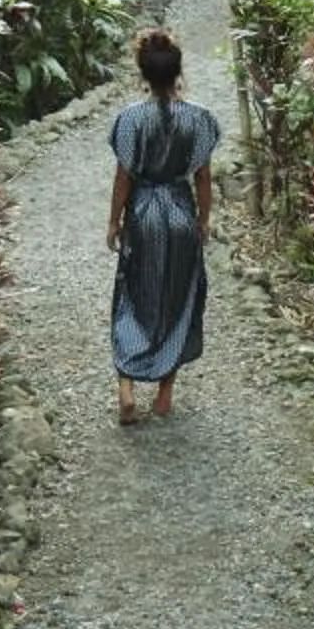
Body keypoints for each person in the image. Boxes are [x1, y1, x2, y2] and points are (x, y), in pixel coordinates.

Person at [105, 28, 220, 426]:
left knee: (133, 295)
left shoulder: (131, 119)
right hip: (180, 213)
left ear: (142, 74)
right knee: (179, 296)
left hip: (143, 215)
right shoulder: (199, 119)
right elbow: (203, 178)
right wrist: (203, 220)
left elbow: (124, 177)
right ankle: (165, 396)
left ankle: (126, 390)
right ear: (177, 72)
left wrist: (114, 221)